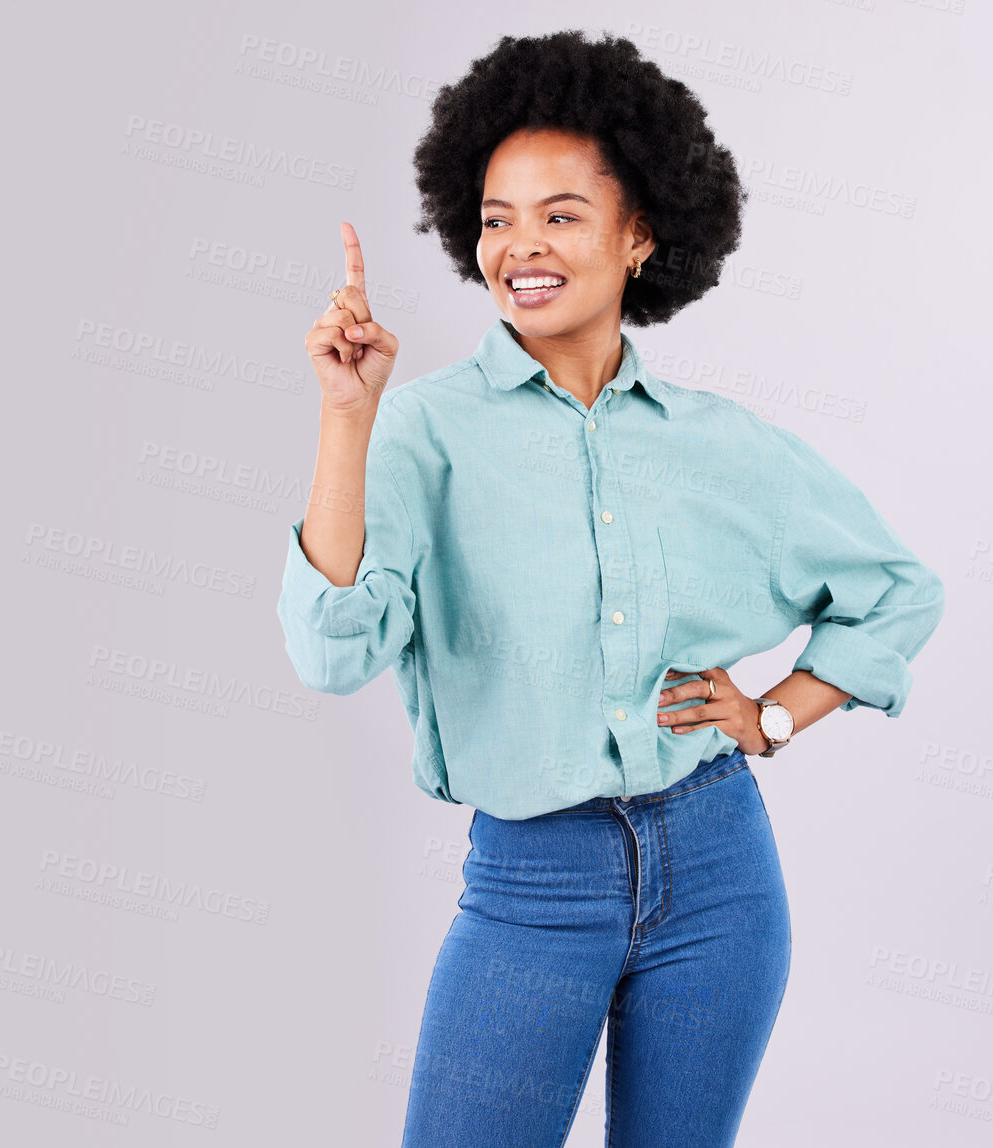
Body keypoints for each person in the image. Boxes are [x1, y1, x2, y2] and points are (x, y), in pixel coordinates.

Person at [276, 29, 945, 1148]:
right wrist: (347, 418)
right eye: (496, 218)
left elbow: (896, 589)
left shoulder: (719, 443)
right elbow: (330, 647)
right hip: (529, 887)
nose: (520, 246)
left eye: (560, 214)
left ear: (640, 235)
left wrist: (775, 713)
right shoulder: (422, 430)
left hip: (720, 873)